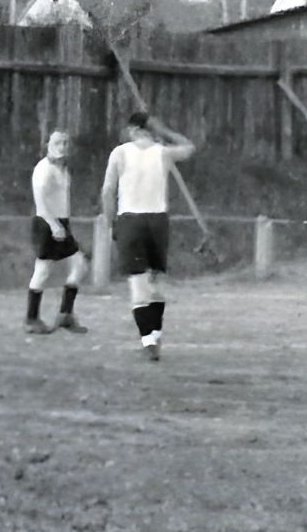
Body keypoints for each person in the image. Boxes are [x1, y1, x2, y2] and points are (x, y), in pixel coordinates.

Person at [101, 111, 196, 362]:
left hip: (131, 219)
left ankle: (148, 340)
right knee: (155, 284)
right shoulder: (162, 152)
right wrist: (163, 129)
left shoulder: (119, 153)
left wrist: (111, 222)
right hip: (157, 221)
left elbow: (107, 191)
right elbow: (189, 147)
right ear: (149, 129)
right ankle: (155, 333)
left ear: (132, 129)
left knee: (138, 284)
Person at [25, 130, 89, 335]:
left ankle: (66, 314)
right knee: (42, 270)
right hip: (47, 223)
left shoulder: (62, 169)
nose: (62, 147)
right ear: (48, 145)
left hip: (61, 222)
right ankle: (31, 318)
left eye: (65, 143)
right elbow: (40, 201)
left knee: (80, 264)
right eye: (58, 143)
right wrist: (53, 225)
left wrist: (62, 223)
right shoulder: (44, 169)